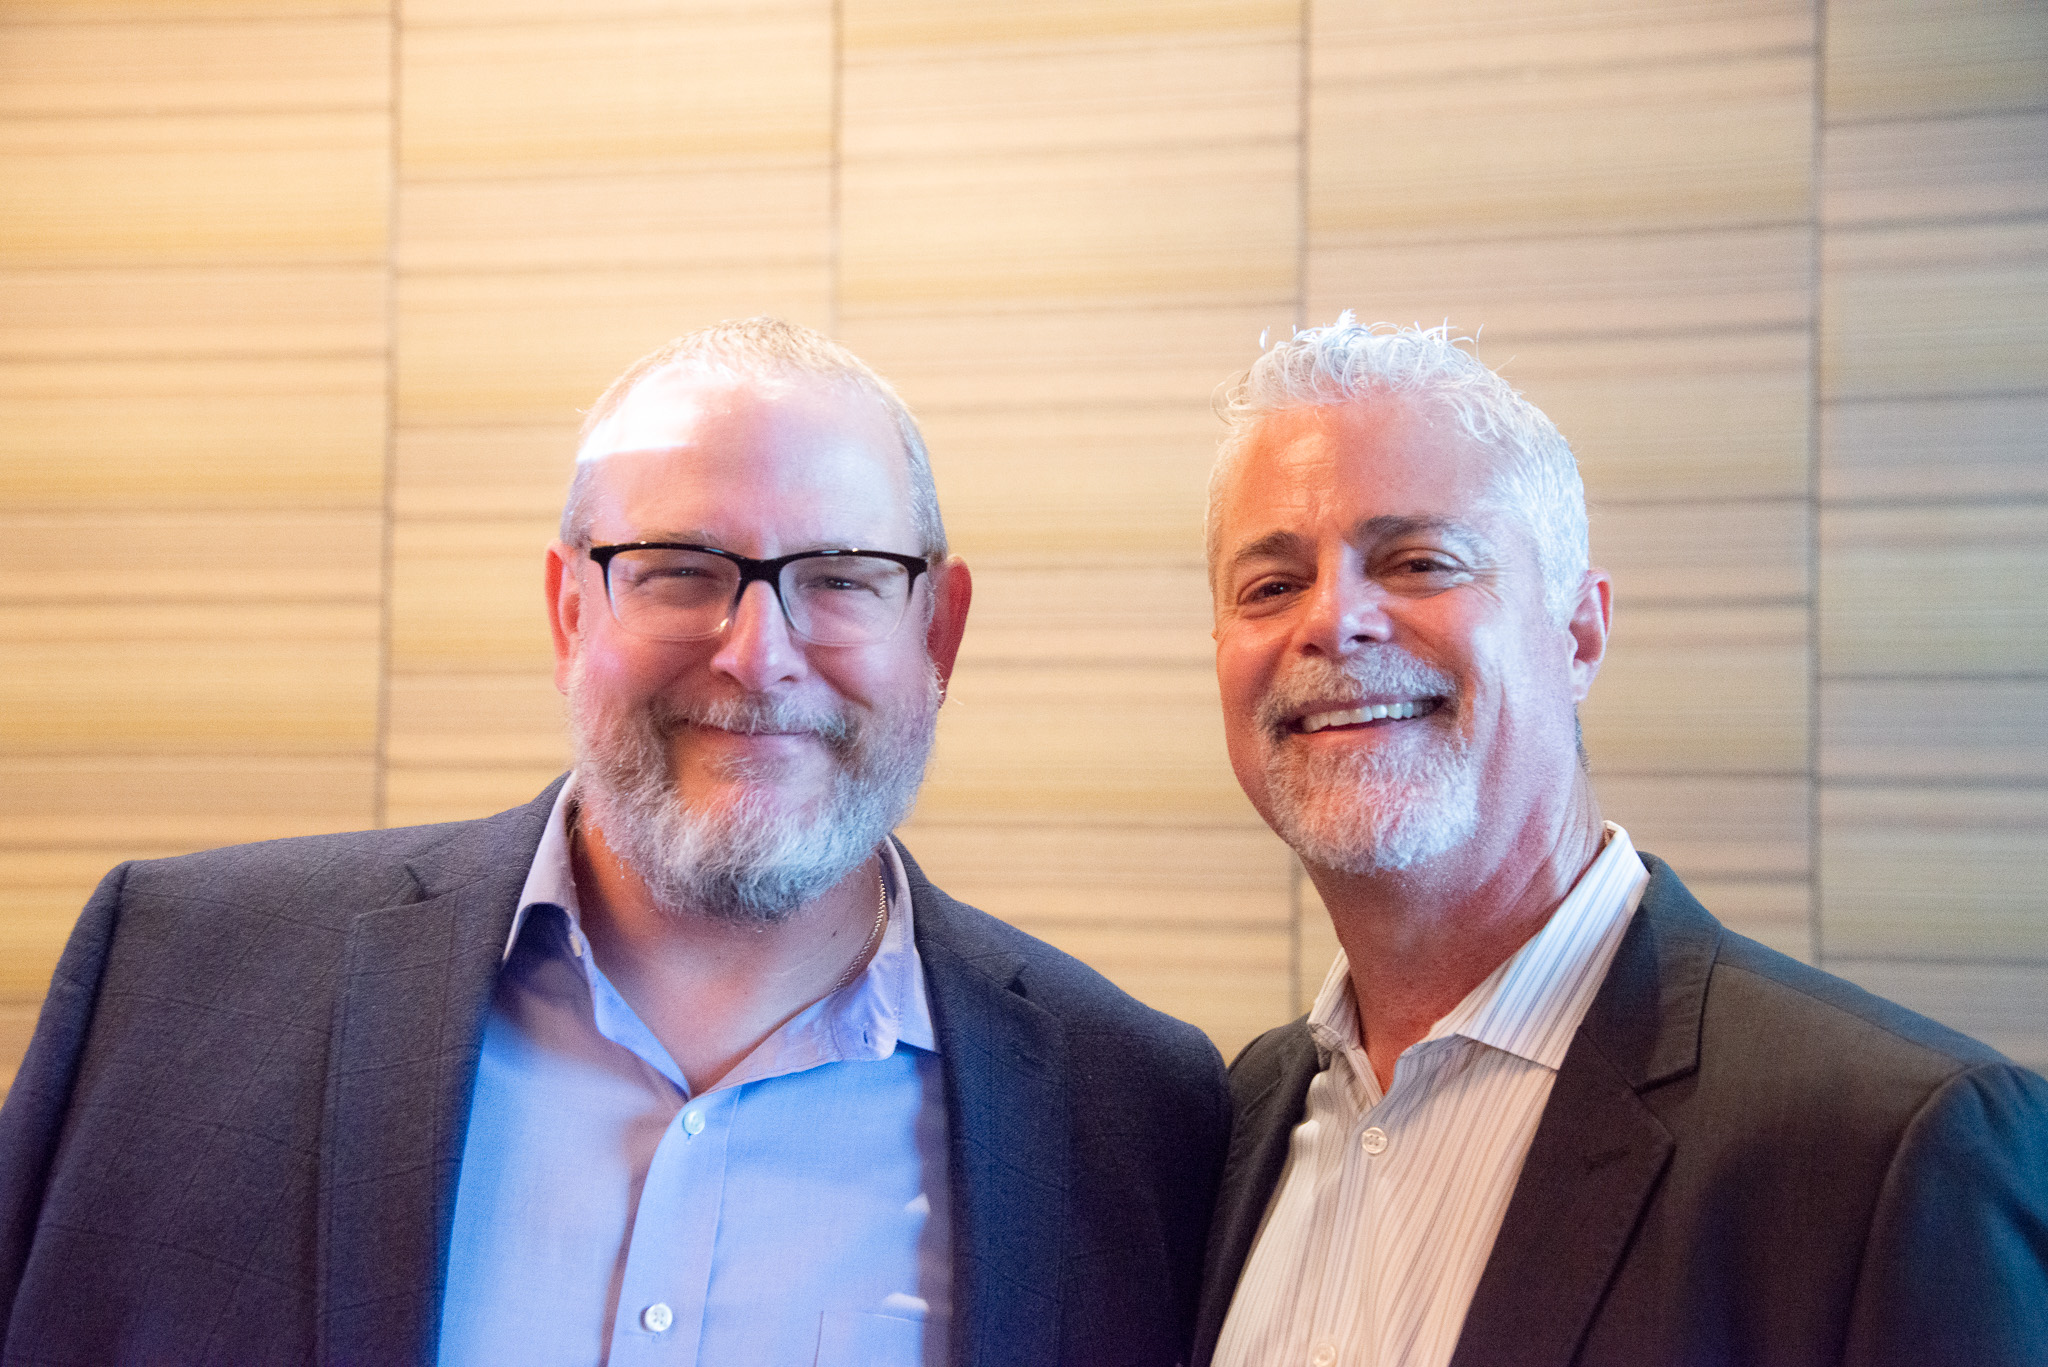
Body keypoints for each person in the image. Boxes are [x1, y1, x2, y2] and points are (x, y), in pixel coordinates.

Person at [0, 318, 1229, 1366]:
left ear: (937, 634)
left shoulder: (1133, 1120)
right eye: (678, 571)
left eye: (840, 577)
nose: (756, 655)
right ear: (568, 610)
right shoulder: (175, 985)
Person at [1192, 316, 2048, 1367]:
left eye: (1416, 562)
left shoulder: (1894, 1152)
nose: (1333, 619)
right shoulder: (1229, 1120)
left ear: (1579, 634)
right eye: (1272, 585)